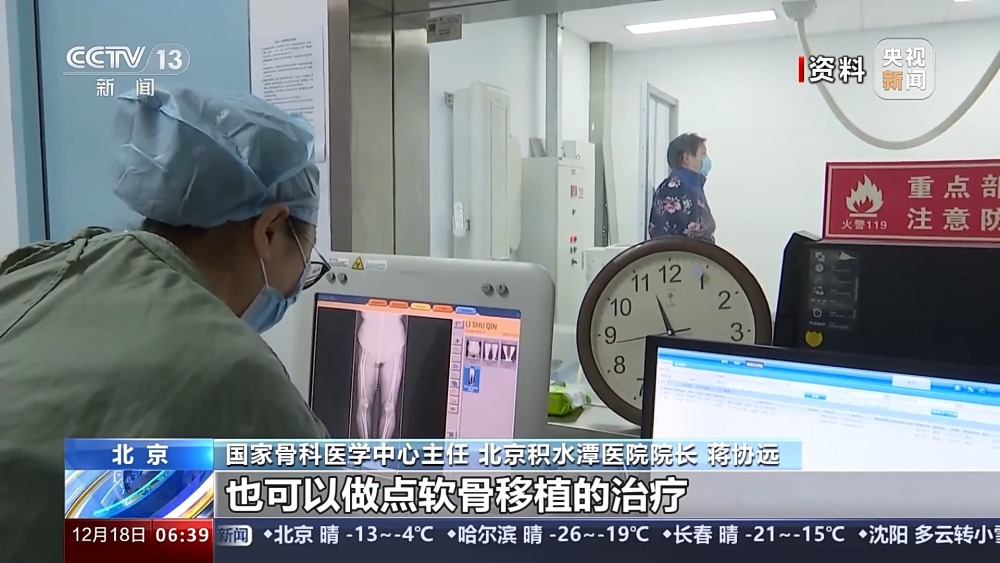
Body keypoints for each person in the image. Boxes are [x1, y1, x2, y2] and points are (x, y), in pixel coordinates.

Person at [0, 86, 330, 562]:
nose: (300, 278)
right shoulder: (233, 371)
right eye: (305, 255)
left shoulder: (49, 265)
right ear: (271, 230)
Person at [647, 132, 717, 243]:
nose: (706, 159)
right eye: (703, 154)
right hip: (683, 253)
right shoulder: (674, 189)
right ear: (686, 158)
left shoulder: (691, 186)